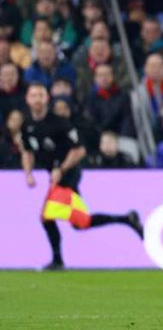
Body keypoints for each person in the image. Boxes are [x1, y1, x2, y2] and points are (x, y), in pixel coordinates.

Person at [20, 83, 143, 270]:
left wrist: (61, 169)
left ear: (47, 99)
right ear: (27, 99)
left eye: (40, 95)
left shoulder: (60, 123)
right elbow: (27, 151)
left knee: (46, 217)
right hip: (55, 175)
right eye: (33, 95)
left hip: (69, 174)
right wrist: (28, 173)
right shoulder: (27, 125)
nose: (37, 99)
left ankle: (57, 261)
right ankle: (126, 219)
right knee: (81, 223)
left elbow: (79, 150)